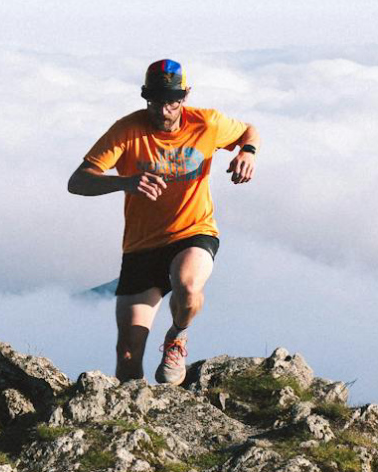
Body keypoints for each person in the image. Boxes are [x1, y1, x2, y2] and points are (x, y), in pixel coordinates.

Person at [67, 59, 259, 385]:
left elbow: (247, 131)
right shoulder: (127, 131)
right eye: (156, 100)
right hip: (142, 247)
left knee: (187, 287)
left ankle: (177, 337)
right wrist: (124, 182)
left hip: (193, 231)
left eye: (172, 100)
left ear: (185, 97)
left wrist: (248, 152)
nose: (164, 109)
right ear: (146, 98)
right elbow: (78, 181)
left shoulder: (206, 123)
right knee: (128, 359)